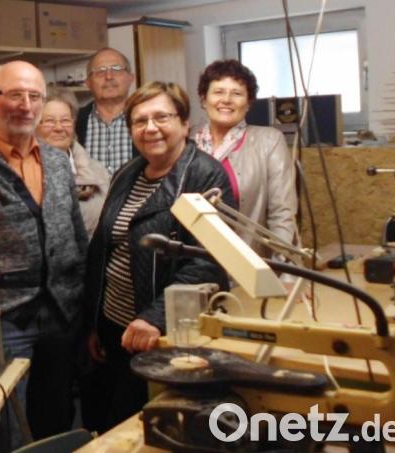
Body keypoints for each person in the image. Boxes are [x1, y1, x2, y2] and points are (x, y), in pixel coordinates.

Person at [82, 81, 235, 434]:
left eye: (161, 117)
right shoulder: (127, 173)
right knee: (108, 423)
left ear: (184, 123)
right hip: (115, 326)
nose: (150, 128)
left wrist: (154, 317)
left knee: (144, 427)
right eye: (140, 121)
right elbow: (103, 248)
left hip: (159, 333)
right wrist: (94, 322)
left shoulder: (205, 175)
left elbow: (207, 261)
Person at [0, 61, 88, 448]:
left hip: (61, 312)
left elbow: (76, 233)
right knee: (7, 423)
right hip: (4, 319)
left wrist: (82, 299)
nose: (26, 105)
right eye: (15, 95)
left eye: (35, 96)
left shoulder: (56, 160)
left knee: (56, 415)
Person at [194, 59, 297, 257]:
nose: (226, 100)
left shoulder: (269, 141)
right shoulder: (187, 142)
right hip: (193, 263)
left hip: (247, 262)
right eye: (218, 92)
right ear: (204, 99)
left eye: (237, 93)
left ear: (248, 103)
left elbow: (282, 213)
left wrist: (281, 263)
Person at [36, 87, 110, 236]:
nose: (59, 128)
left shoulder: (98, 171)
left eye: (65, 121)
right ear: (35, 125)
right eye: (49, 121)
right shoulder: (26, 171)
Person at [76, 47, 137, 173]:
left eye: (117, 69)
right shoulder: (73, 121)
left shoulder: (147, 120)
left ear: (131, 78)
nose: (109, 76)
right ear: (88, 82)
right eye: (100, 71)